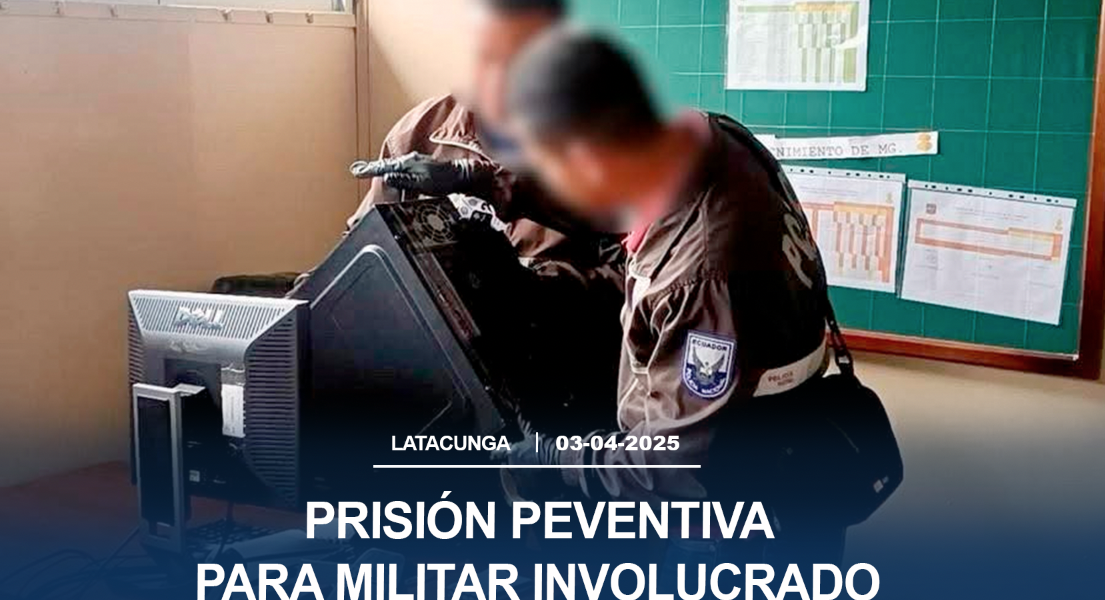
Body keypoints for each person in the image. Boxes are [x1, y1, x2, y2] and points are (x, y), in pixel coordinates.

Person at [496, 27, 834, 510]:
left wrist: (559, 461)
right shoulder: (712, 138)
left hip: (734, 509)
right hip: (790, 443)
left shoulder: (700, 278)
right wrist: (483, 182)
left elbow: (676, 465)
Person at [342, 0, 625, 434]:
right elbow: (358, 256)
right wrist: (292, 319)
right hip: (438, 371)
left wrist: (531, 289)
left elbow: (638, 281)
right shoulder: (421, 131)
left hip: (559, 383)